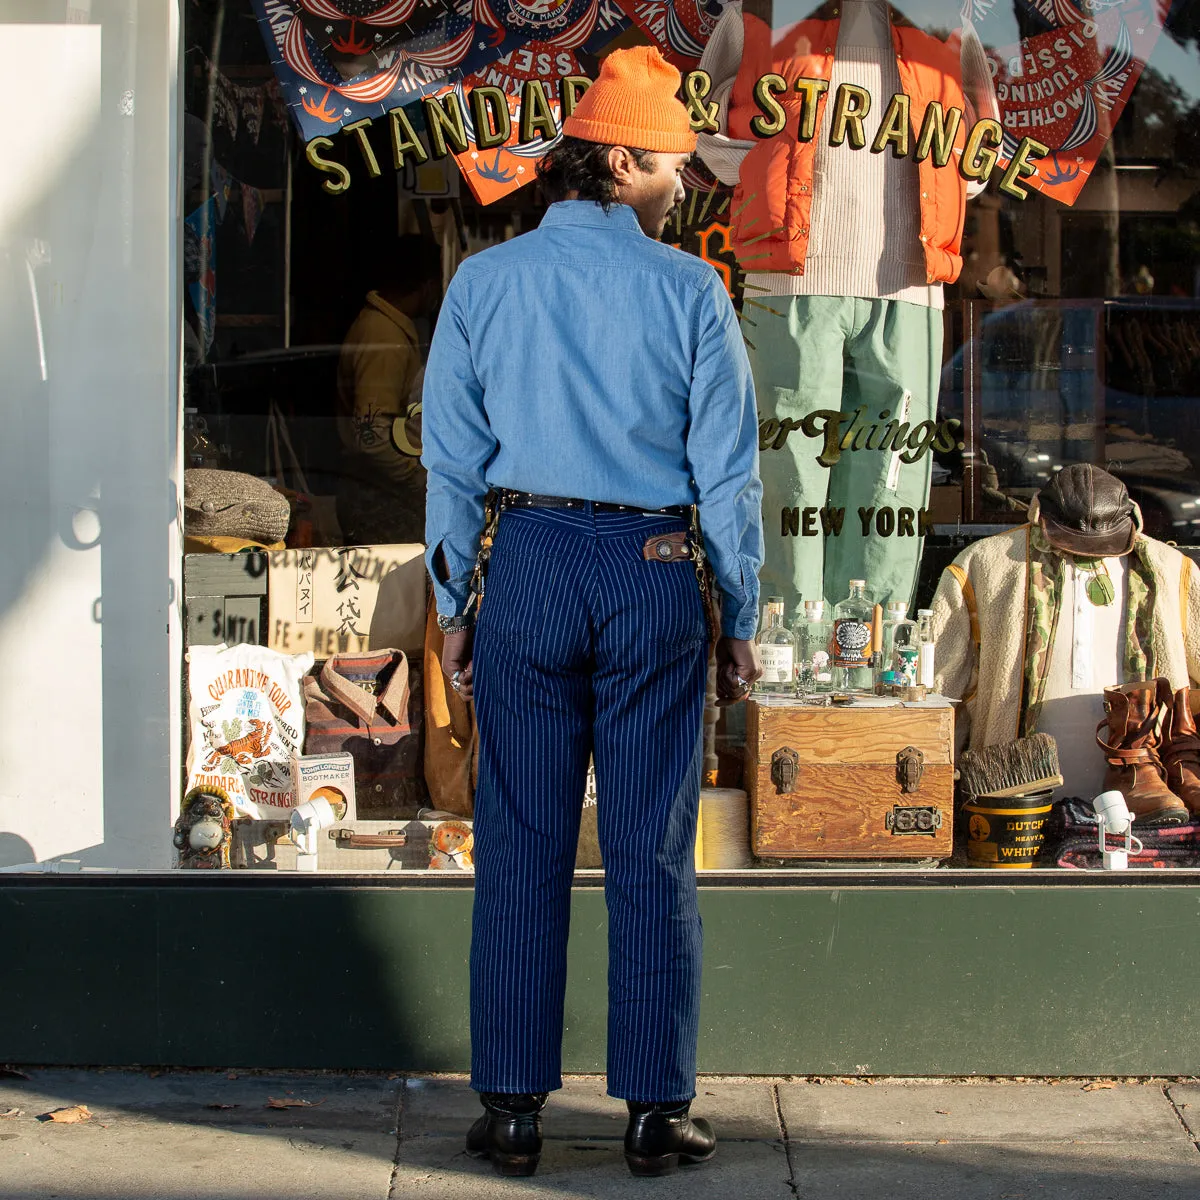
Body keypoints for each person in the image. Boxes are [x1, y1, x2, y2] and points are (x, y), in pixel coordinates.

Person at [421, 45, 764, 1179]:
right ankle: (655, 1115)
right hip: (653, 566)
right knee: (650, 843)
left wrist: (452, 604)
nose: (682, 185)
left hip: (526, 562)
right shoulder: (691, 291)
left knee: (519, 835)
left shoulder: (484, 283)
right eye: (671, 166)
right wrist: (741, 612)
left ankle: (513, 1110)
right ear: (619, 160)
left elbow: (452, 463)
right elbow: (727, 474)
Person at [930, 464, 1200, 823]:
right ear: (1039, 513)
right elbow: (938, 688)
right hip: (1010, 802)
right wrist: (937, 790)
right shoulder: (985, 564)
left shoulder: (1171, 569)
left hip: (1150, 803)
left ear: (1133, 516)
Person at [335, 234, 442, 545]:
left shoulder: (386, 329)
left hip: (378, 489)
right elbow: (371, 436)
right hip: (378, 494)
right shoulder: (384, 336)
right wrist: (417, 479)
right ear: (427, 286)